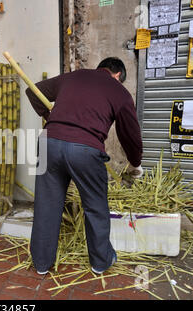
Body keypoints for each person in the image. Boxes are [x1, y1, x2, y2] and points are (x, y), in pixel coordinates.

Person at [25, 57, 143, 275]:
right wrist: (136, 162)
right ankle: (100, 263)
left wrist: (48, 115)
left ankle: (41, 264)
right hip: (85, 150)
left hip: (48, 143)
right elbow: (130, 134)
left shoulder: (74, 76)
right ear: (118, 76)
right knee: (95, 207)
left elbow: (33, 91)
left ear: (100, 68)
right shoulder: (118, 91)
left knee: (46, 206)